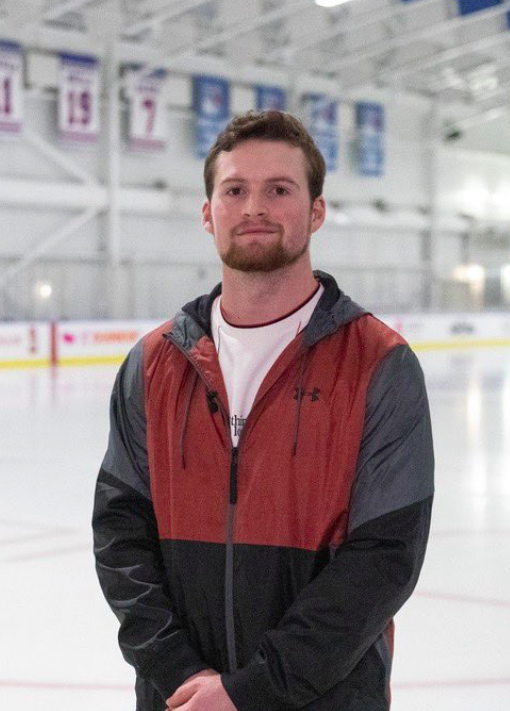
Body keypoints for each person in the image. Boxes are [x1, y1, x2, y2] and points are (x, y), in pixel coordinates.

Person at [92, 110, 433, 711]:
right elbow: (121, 536)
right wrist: (179, 675)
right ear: (208, 213)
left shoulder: (379, 365)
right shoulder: (152, 365)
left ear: (316, 210)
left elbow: (384, 560)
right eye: (234, 190)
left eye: (279, 189)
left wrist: (252, 691)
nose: (254, 206)